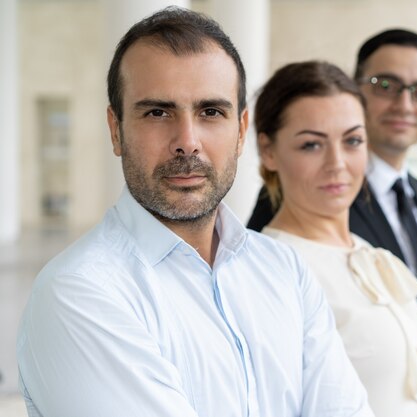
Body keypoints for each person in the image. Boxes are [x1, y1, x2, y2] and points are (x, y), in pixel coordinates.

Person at [16, 8, 373, 417]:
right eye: (157, 112)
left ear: (240, 132)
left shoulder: (284, 269)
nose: (187, 141)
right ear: (116, 130)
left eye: (210, 112)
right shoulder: (80, 292)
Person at [248, 29, 417, 416]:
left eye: (352, 141)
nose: (337, 164)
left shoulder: (365, 252)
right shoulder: (271, 271)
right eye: (311, 144)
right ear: (268, 150)